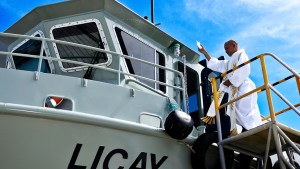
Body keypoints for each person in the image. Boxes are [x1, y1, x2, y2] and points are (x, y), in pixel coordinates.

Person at [198, 40, 262, 168]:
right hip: (236, 92)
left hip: (245, 89)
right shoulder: (229, 63)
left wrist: (231, 81)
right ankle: (244, 132)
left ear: (234, 46)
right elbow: (216, 64)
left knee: (247, 113)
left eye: (227, 48)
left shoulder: (240, 55)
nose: (226, 51)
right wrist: (204, 52)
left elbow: (245, 69)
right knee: (236, 114)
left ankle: (250, 131)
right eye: (225, 49)